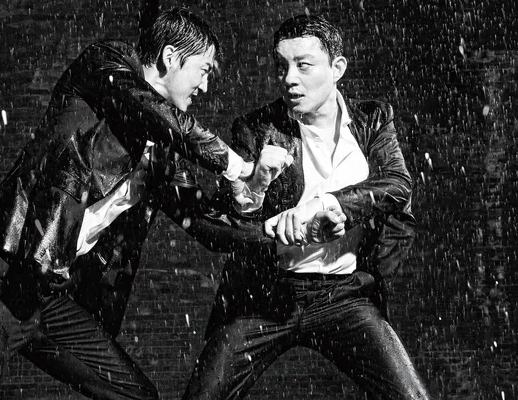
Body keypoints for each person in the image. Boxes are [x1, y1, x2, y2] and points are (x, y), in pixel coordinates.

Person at [0, 7, 293, 400]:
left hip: (48, 295)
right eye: (203, 70)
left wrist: (272, 225)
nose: (205, 87)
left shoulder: (162, 154)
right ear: (171, 57)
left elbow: (205, 224)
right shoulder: (104, 65)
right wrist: (237, 165)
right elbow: (152, 111)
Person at [181, 14, 431, 400]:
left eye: (303, 65)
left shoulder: (373, 120)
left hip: (343, 296)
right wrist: (257, 187)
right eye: (281, 66)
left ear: (337, 68)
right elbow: (228, 222)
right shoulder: (257, 128)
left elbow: (396, 185)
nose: (289, 79)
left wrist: (327, 205)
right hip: (264, 297)